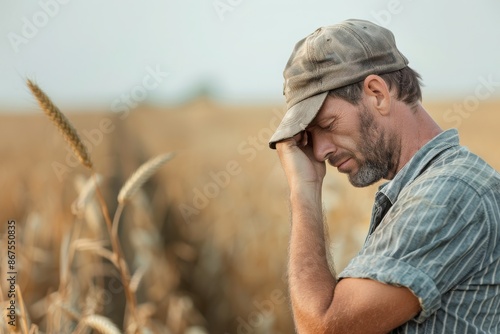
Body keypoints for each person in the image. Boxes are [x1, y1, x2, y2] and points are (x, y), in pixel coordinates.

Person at [269, 19, 500, 333]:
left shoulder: (448, 194)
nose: (319, 151)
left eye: (327, 124)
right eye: (309, 135)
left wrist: (304, 188)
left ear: (377, 93)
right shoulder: (437, 185)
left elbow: (323, 327)